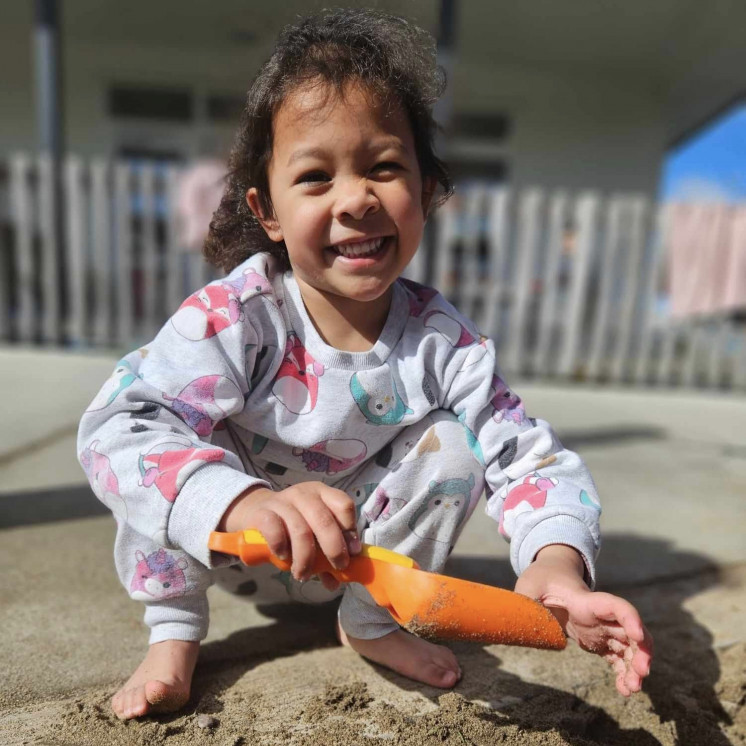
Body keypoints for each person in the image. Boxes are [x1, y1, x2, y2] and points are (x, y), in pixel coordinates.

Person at [78, 8, 652, 721]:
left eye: (384, 166)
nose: (355, 199)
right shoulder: (237, 316)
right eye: (315, 177)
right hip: (232, 544)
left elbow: (530, 462)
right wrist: (240, 501)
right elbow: (116, 429)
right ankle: (173, 631)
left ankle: (369, 622)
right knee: (156, 437)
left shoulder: (444, 342)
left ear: (426, 189)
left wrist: (559, 566)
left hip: (363, 559)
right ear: (270, 212)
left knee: (457, 441)